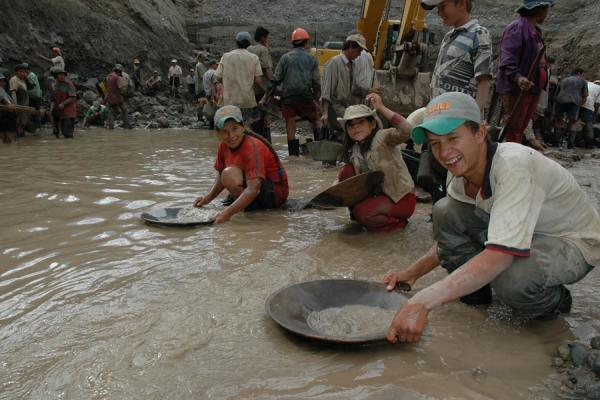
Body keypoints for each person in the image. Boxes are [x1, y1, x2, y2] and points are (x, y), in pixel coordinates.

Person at [383, 92, 599, 344]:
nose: (444, 152)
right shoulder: (459, 170)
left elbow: (499, 257)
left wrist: (421, 302)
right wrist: (411, 273)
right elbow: (450, 234)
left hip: (570, 240)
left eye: (453, 138)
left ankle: (554, 303)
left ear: (480, 133)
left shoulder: (514, 165)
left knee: (512, 280)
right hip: (521, 233)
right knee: (444, 210)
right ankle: (476, 294)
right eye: (435, 143)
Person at [193, 105, 289, 223]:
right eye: (225, 132)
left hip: (275, 194)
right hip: (256, 187)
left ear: (243, 127)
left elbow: (254, 189)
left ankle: (253, 208)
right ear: (218, 133)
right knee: (226, 174)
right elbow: (221, 179)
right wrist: (207, 199)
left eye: (235, 128)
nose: (231, 136)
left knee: (229, 174)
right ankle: (247, 205)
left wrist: (226, 214)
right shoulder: (223, 146)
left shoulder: (253, 147)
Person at [336, 93, 416, 233]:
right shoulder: (354, 150)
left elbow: (407, 130)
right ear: (347, 130)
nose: (356, 128)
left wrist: (381, 107)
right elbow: (343, 179)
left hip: (400, 199)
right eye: (351, 125)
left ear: (372, 123)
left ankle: (398, 224)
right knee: (345, 172)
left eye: (361, 122)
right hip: (380, 198)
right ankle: (376, 223)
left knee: (362, 213)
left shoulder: (383, 138)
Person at [496, 0, 553, 144]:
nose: (548, 13)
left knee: (520, 127)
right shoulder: (517, 28)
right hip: (517, 88)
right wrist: (518, 78)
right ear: (540, 9)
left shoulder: (536, 32)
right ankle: (510, 157)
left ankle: (516, 154)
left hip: (532, 88)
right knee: (513, 126)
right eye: (547, 8)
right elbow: (507, 57)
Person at [421, 0, 493, 115]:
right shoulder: (448, 36)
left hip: (460, 116)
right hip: (439, 113)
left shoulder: (479, 34)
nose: (439, 13)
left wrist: (475, 116)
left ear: (461, 4)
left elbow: (484, 79)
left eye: (443, 7)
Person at [260, 27, 321, 156]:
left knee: (290, 124)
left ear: (293, 43)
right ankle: (320, 148)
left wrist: (265, 97)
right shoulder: (312, 59)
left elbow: (275, 80)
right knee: (315, 119)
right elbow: (316, 83)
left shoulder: (285, 58)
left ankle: (293, 156)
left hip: (288, 98)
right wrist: (317, 102)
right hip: (306, 97)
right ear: (306, 42)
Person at [215, 32, 263, 130]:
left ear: (236, 43)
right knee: (246, 127)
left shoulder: (226, 56)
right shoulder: (254, 58)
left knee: (230, 128)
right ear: (249, 44)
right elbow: (258, 80)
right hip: (247, 101)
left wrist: (227, 83)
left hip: (229, 101)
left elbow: (217, 76)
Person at [320, 34, 367, 134]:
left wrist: (368, 91)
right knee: (355, 126)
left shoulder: (353, 65)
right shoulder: (334, 63)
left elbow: (353, 88)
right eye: (359, 51)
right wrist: (325, 113)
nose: (359, 54)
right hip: (334, 107)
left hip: (346, 105)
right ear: (350, 46)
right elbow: (326, 90)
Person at [248, 26, 274, 140]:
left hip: (249, 91)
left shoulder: (248, 49)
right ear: (263, 37)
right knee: (265, 120)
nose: (267, 40)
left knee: (253, 121)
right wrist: (275, 84)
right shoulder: (263, 50)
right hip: (262, 91)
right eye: (266, 38)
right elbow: (268, 70)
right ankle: (267, 147)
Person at [554, 68, 588, 148]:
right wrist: (579, 105)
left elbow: (556, 94)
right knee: (573, 122)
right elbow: (585, 96)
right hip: (574, 102)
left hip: (560, 100)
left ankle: (555, 142)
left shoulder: (563, 80)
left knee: (558, 121)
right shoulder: (583, 81)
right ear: (579, 73)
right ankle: (570, 144)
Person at [50, 68, 77, 138]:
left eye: (63, 75)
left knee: (67, 132)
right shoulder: (54, 85)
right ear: (56, 76)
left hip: (69, 109)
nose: (62, 76)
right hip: (59, 110)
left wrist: (63, 103)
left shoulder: (69, 84)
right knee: (60, 131)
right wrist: (51, 109)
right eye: (60, 75)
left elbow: (73, 97)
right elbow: (52, 99)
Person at [106, 64, 131, 129]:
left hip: (110, 98)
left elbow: (108, 88)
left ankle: (111, 127)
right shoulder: (117, 77)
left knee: (110, 111)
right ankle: (127, 125)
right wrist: (124, 91)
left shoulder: (108, 76)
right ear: (119, 71)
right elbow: (120, 87)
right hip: (118, 98)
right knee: (124, 109)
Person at [9, 64, 29, 138]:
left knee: (23, 121)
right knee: (19, 121)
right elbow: (13, 93)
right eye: (20, 71)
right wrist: (15, 105)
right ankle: (19, 136)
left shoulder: (23, 80)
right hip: (19, 104)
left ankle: (21, 136)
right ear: (16, 72)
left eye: (24, 72)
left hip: (24, 104)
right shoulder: (14, 79)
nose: (23, 73)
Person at [579, 80, 600, 149]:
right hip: (588, 106)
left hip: (577, 102)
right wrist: (594, 116)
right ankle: (589, 146)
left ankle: (571, 143)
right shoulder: (599, 88)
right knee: (588, 127)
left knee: (575, 122)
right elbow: (597, 104)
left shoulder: (588, 83)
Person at [202, 60, 220, 128]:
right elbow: (215, 85)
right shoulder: (214, 73)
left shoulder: (205, 73)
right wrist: (215, 96)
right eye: (216, 65)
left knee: (210, 110)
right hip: (213, 94)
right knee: (215, 110)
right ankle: (216, 127)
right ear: (212, 65)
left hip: (207, 93)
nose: (217, 66)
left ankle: (211, 126)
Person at [0, 73, 17, 144]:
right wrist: (9, 104)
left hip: (5, 114)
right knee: (11, 139)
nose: (2, 83)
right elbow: (5, 100)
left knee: (3, 138)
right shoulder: (0, 89)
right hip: (6, 114)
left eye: (2, 81)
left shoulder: (3, 90)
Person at [27, 66, 42, 131]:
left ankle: (36, 127)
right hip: (37, 95)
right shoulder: (33, 74)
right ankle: (38, 127)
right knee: (36, 111)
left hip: (33, 96)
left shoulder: (29, 76)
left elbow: (33, 84)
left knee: (34, 111)